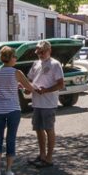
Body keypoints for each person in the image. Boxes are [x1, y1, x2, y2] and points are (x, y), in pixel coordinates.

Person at [0, 46, 35, 175]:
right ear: (10, 58)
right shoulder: (17, 72)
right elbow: (29, 87)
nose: (16, 59)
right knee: (11, 138)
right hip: (13, 109)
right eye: (15, 57)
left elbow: (2, 86)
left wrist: (16, 85)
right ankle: (8, 170)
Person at [26, 40, 65, 168]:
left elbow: (61, 84)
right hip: (37, 102)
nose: (40, 55)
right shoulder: (36, 63)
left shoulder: (55, 64)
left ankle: (49, 158)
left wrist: (46, 90)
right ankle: (42, 155)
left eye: (42, 52)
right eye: (38, 52)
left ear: (49, 51)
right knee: (38, 129)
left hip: (49, 103)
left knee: (49, 129)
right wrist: (27, 87)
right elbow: (30, 80)